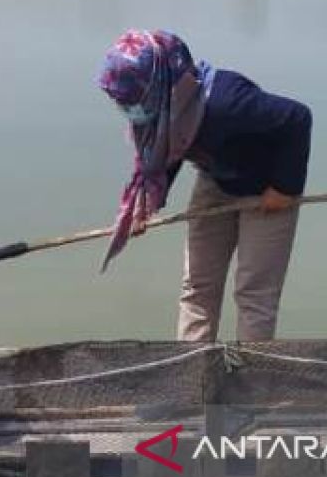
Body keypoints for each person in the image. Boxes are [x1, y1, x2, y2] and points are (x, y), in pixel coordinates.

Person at [98, 29, 312, 342]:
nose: (129, 109)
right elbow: (168, 152)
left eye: (132, 99)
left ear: (158, 81)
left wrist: (285, 188)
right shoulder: (164, 110)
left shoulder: (226, 103)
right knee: (197, 286)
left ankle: (252, 379)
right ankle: (191, 368)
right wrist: (147, 204)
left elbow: (297, 119)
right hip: (216, 180)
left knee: (254, 293)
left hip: (268, 190)